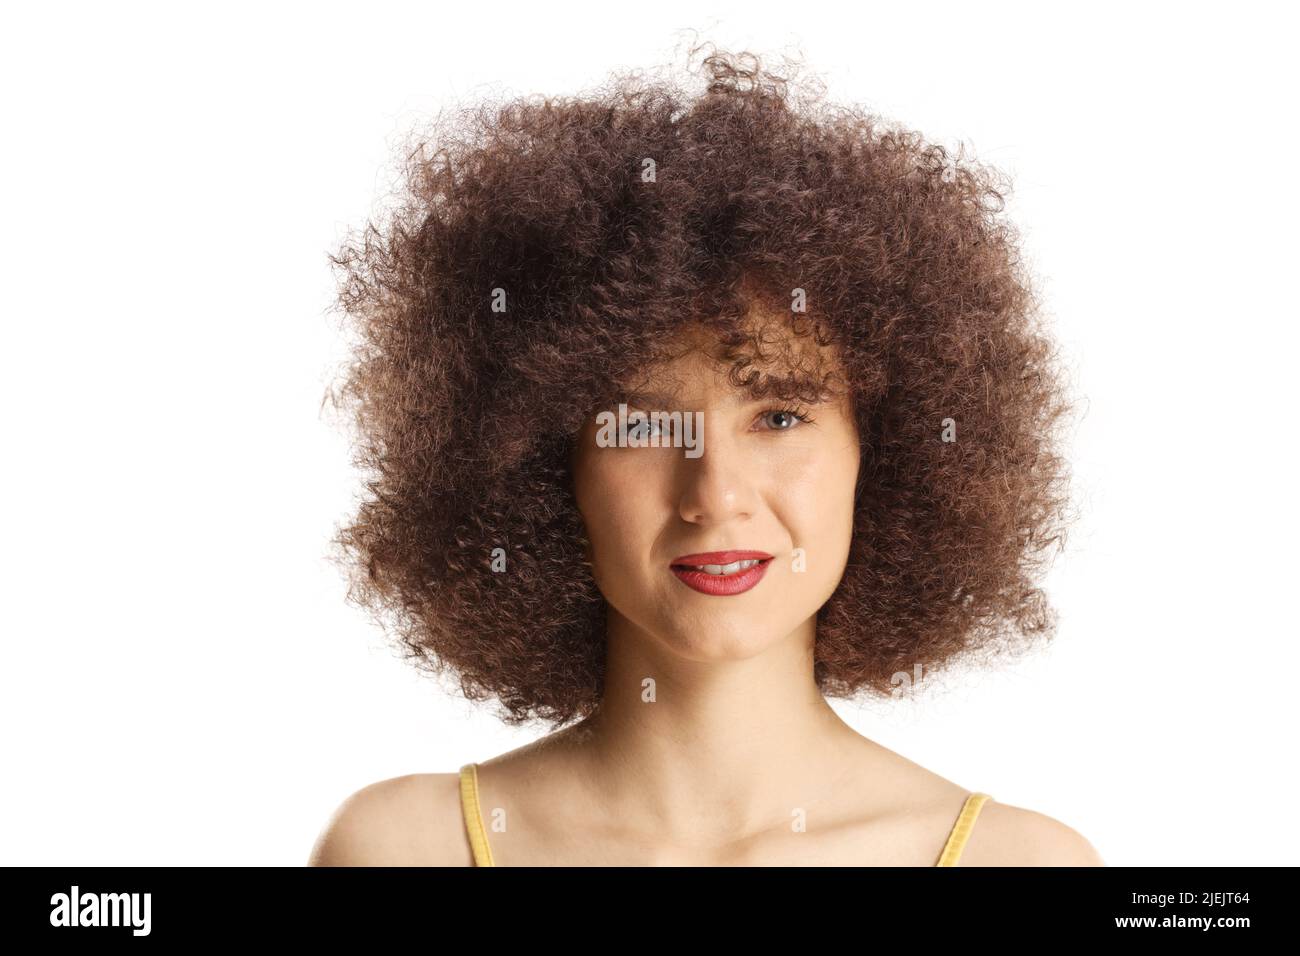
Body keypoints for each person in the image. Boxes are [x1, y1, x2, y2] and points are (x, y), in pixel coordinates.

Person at [308, 45, 1104, 867]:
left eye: (781, 416)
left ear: (886, 454)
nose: (715, 496)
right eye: (646, 427)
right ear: (544, 470)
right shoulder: (406, 849)